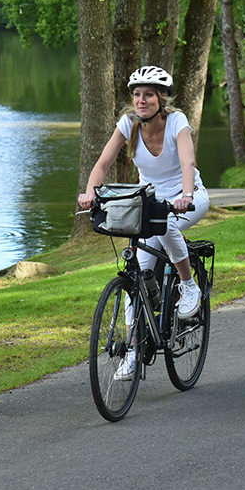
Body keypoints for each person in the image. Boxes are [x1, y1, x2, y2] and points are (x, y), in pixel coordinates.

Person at [77, 66, 210, 381]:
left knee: (167, 227)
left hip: (186, 199)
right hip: (148, 203)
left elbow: (188, 161)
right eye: (137, 94)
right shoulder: (128, 124)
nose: (141, 100)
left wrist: (186, 195)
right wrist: (89, 193)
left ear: (161, 98)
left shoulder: (176, 122)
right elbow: (103, 163)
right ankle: (134, 352)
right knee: (135, 277)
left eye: (148, 94)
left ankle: (188, 285)